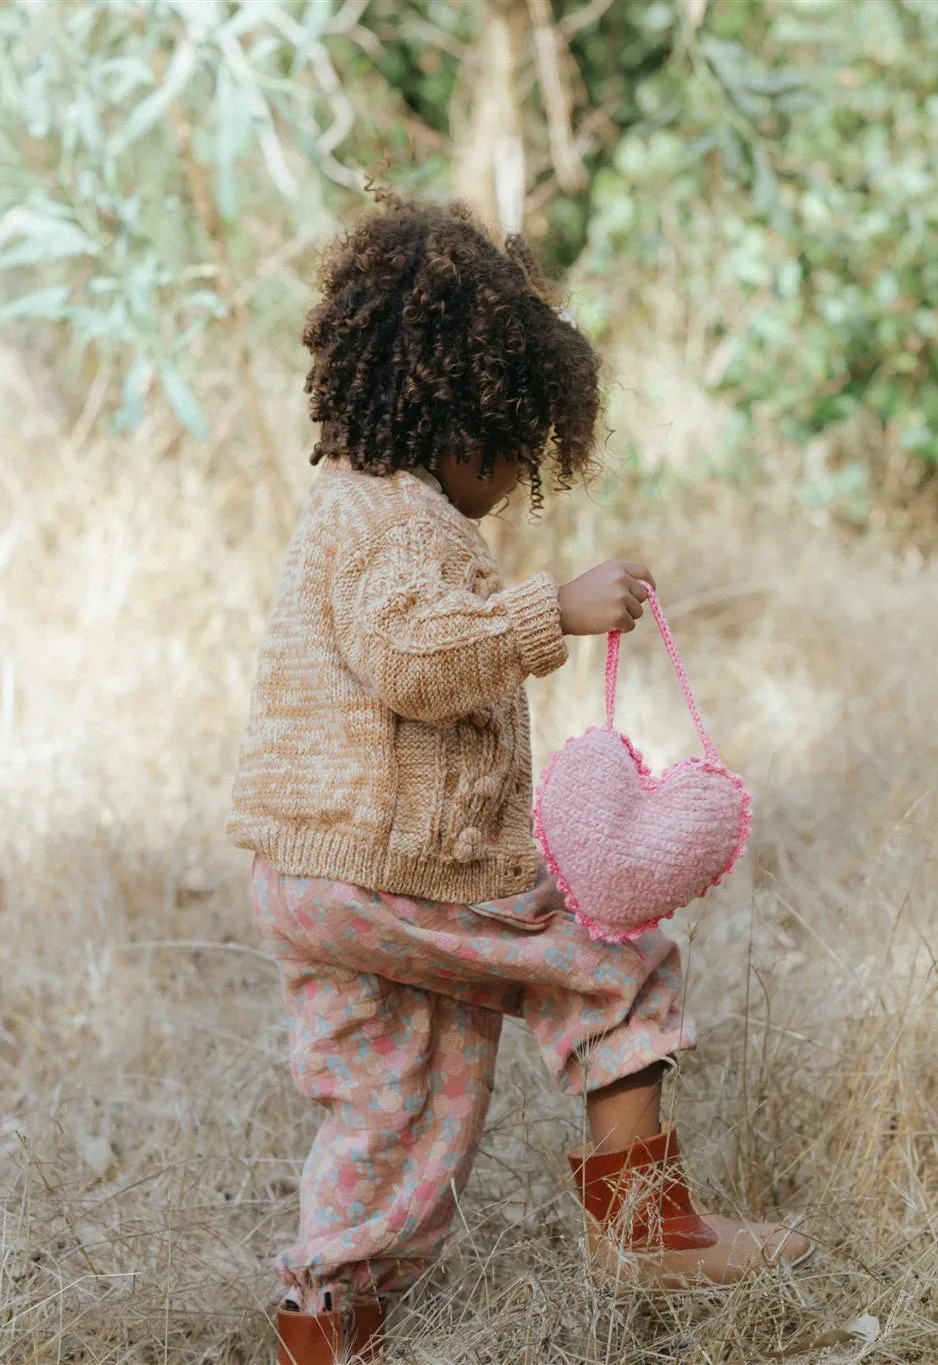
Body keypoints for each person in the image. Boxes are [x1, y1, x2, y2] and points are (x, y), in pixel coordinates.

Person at [228, 194, 809, 1365]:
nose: (508, 478)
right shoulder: (401, 525)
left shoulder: (345, 505)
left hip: (311, 875)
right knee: (612, 959)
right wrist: (554, 608)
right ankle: (644, 1229)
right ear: (450, 419)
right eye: (508, 448)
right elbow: (413, 660)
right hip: (398, 867)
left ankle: (326, 1314)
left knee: (393, 1092)